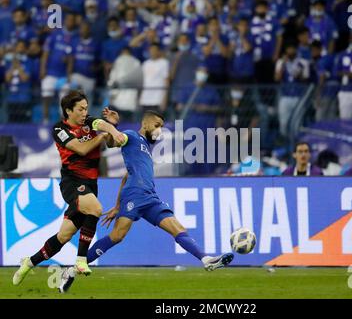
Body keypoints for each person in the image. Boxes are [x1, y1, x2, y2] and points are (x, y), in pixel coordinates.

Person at [58, 110, 234, 293]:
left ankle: (207, 260)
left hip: (150, 197)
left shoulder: (146, 149)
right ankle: (71, 270)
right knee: (117, 236)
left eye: (162, 127)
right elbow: (113, 142)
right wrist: (113, 127)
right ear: (146, 124)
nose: (159, 131)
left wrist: (117, 205)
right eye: (157, 126)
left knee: (178, 229)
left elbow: (127, 175)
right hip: (134, 195)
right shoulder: (132, 136)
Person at [12, 90, 126, 286]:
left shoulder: (90, 122)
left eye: (86, 109)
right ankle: (81, 260)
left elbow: (109, 138)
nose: (85, 113)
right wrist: (103, 136)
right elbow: (81, 148)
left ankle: (29, 262)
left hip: (90, 184)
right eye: (81, 109)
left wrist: (113, 128)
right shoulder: (59, 129)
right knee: (96, 209)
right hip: (72, 182)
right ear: (68, 111)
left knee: (63, 236)